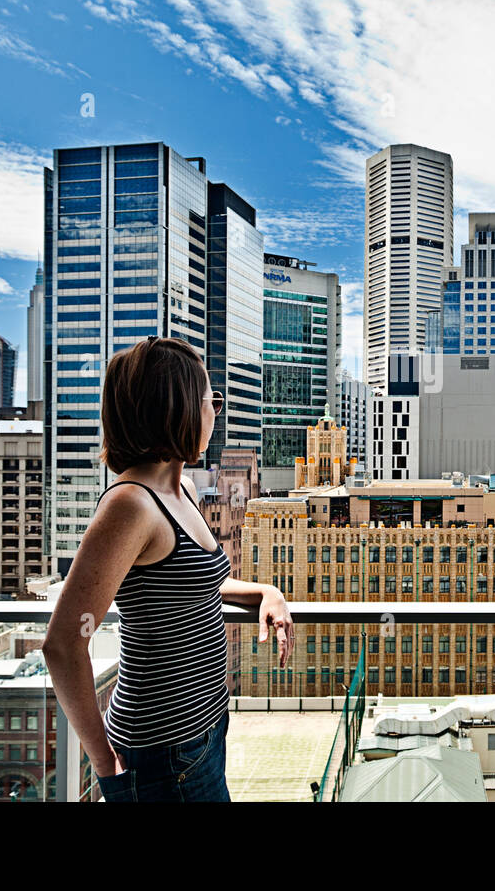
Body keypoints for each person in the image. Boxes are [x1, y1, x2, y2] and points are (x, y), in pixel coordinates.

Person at [43, 336, 293, 802]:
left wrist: (264, 593)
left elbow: (199, 585)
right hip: (162, 753)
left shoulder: (184, 494)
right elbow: (61, 643)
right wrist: (104, 762)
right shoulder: (130, 505)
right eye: (210, 400)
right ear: (177, 408)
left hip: (205, 731)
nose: (216, 412)